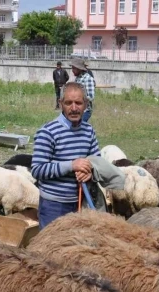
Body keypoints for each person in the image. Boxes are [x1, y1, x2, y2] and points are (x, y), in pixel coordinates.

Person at [31, 82, 100, 229]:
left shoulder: (88, 131)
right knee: (51, 248)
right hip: (53, 206)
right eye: (68, 103)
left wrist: (90, 172)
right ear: (60, 103)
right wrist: (71, 165)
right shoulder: (48, 132)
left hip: (80, 203)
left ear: (86, 104)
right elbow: (37, 169)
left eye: (78, 103)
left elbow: (97, 161)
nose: (74, 108)